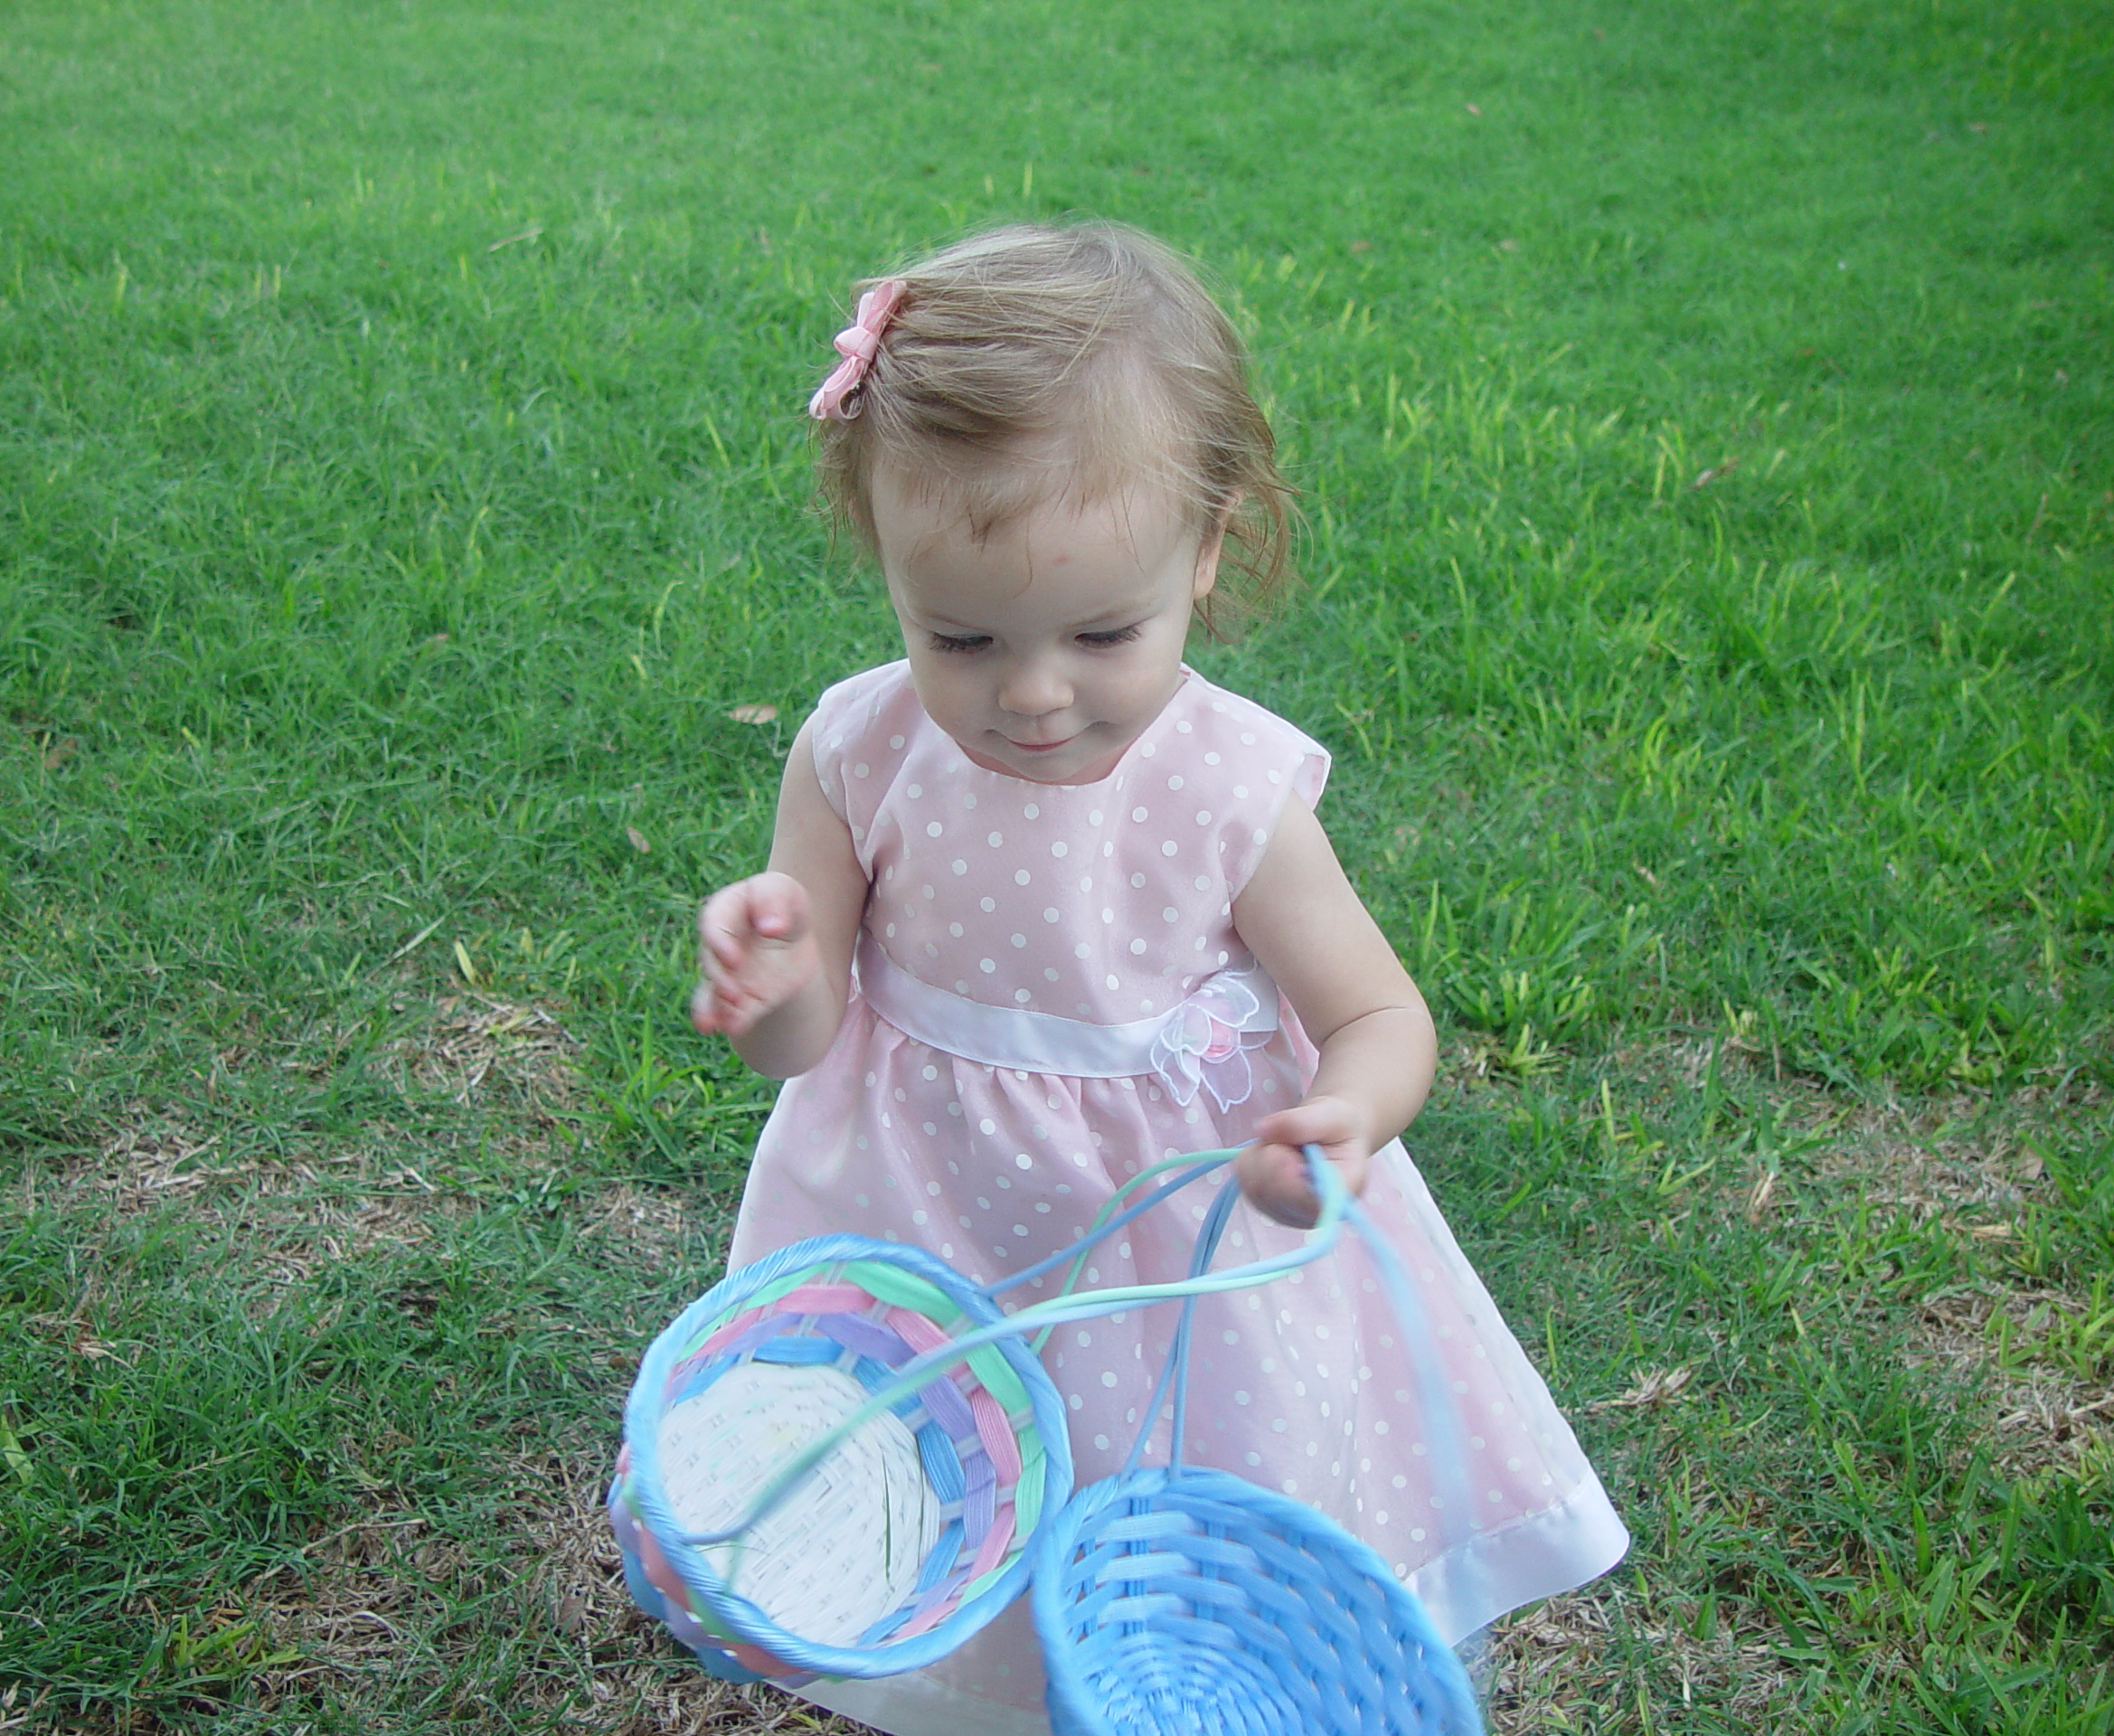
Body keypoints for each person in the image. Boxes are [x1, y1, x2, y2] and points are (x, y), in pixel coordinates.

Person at [688, 222, 1626, 1735]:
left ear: (1206, 549)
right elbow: (801, 1047)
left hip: (1175, 1246)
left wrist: (1346, 1116)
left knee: (1162, 1500)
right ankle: (981, 1687)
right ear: (889, 572)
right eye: (963, 635)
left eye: (1105, 631)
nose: (1036, 693)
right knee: (964, 1492)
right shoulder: (858, 749)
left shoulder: (1227, 787)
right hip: (934, 1229)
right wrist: (776, 968)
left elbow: (1378, 1015)